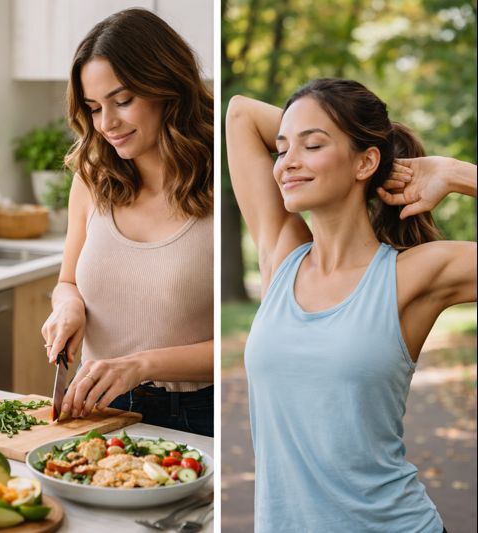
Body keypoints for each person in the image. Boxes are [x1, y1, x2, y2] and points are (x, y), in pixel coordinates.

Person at [226, 78, 476, 531]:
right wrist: (311, 128)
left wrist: (454, 173)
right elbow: (240, 113)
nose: (286, 164)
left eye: (313, 145)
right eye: (282, 149)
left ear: (365, 162)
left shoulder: (412, 275)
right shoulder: (282, 256)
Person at [41, 8, 213, 436]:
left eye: (123, 100)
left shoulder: (218, 183)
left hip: (197, 413)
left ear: (167, 87)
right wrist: (68, 306)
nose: (107, 124)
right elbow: (68, 281)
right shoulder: (92, 175)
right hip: (97, 405)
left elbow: (251, 343)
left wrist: (142, 365)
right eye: (94, 107)